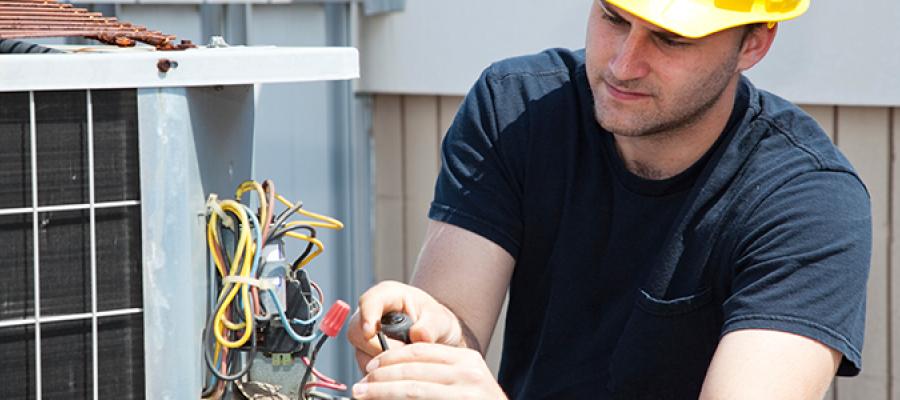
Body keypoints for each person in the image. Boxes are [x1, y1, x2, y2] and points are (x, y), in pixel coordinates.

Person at [348, 0, 872, 398]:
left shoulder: (808, 201)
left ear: (754, 44)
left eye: (670, 39)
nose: (623, 64)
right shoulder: (516, 110)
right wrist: (432, 332)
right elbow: (455, 329)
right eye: (614, 18)